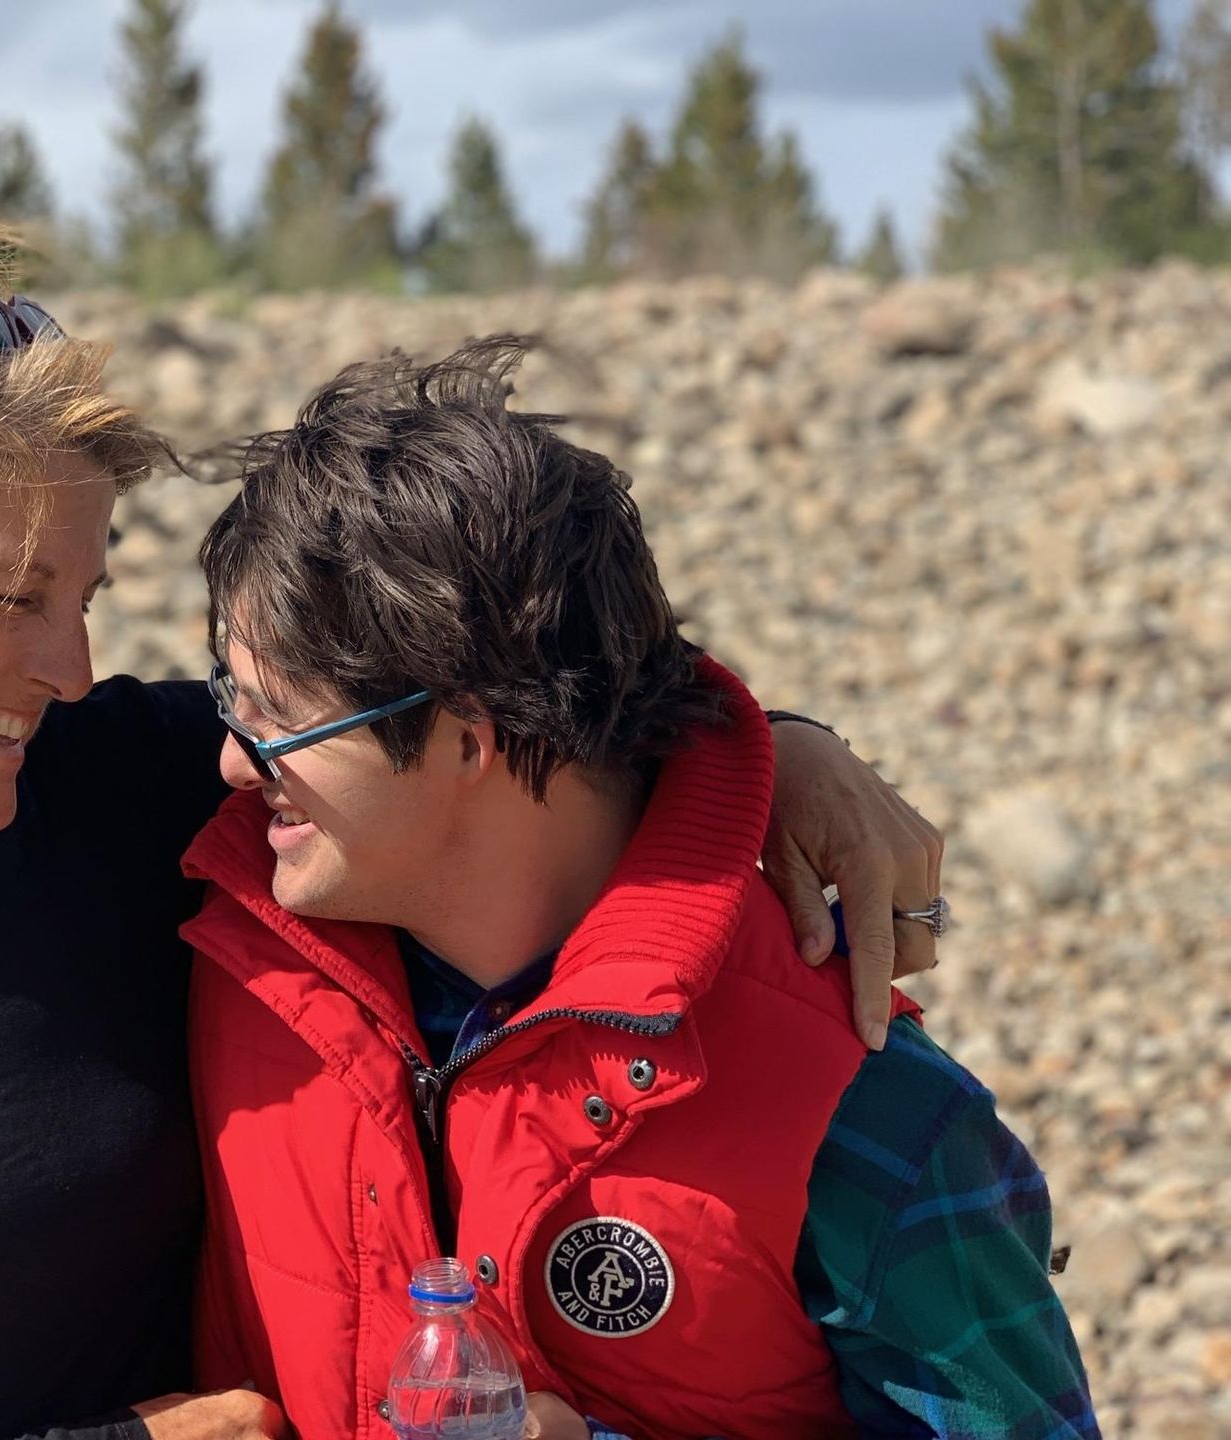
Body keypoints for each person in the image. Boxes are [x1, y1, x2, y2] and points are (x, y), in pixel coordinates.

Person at [0, 215, 939, 1439]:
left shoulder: (134, 792)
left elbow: (492, 679)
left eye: (85, 596)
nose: (71, 668)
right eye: (11, 600)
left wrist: (776, 749)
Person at [179, 340, 1093, 1439]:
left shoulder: (860, 1109)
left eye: (281, 720)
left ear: (470, 741)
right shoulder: (226, 932)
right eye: (233, 700)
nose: (235, 760)